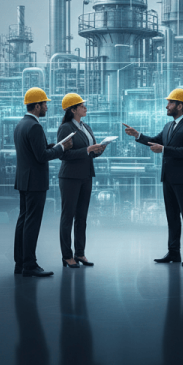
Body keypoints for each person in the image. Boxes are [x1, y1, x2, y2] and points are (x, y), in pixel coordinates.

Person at [123, 88, 183, 266]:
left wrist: (164, 149)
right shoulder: (168, 126)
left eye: (170, 103)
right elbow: (155, 140)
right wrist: (138, 135)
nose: (167, 106)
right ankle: (173, 253)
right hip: (168, 178)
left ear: (180, 106)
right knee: (172, 216)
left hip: (182, 179)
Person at [14, 87, 73, 277]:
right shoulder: (35, 126)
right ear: (37, 105)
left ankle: (20, 263)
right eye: (45, 104)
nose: (47, 107)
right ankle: (30, 266)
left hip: (23, 180)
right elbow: (41, 156)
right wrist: (62, 148)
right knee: (32, 223)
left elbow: (33, 150)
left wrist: (54, 146)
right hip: (35, 182)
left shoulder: (21, 125)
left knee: (23, 221)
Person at [56, 93, 106, 269]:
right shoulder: (65, 128)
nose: (85, 107)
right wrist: (87, 150)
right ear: (73, 109)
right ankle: (67, 256)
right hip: (70, 177)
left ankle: (80, 253)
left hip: (86, 176)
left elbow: (89, 152)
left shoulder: (86, 127)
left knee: (82, 217)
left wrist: (99, 150)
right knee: (68, 216)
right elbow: (63, 154)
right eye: (82, 105)